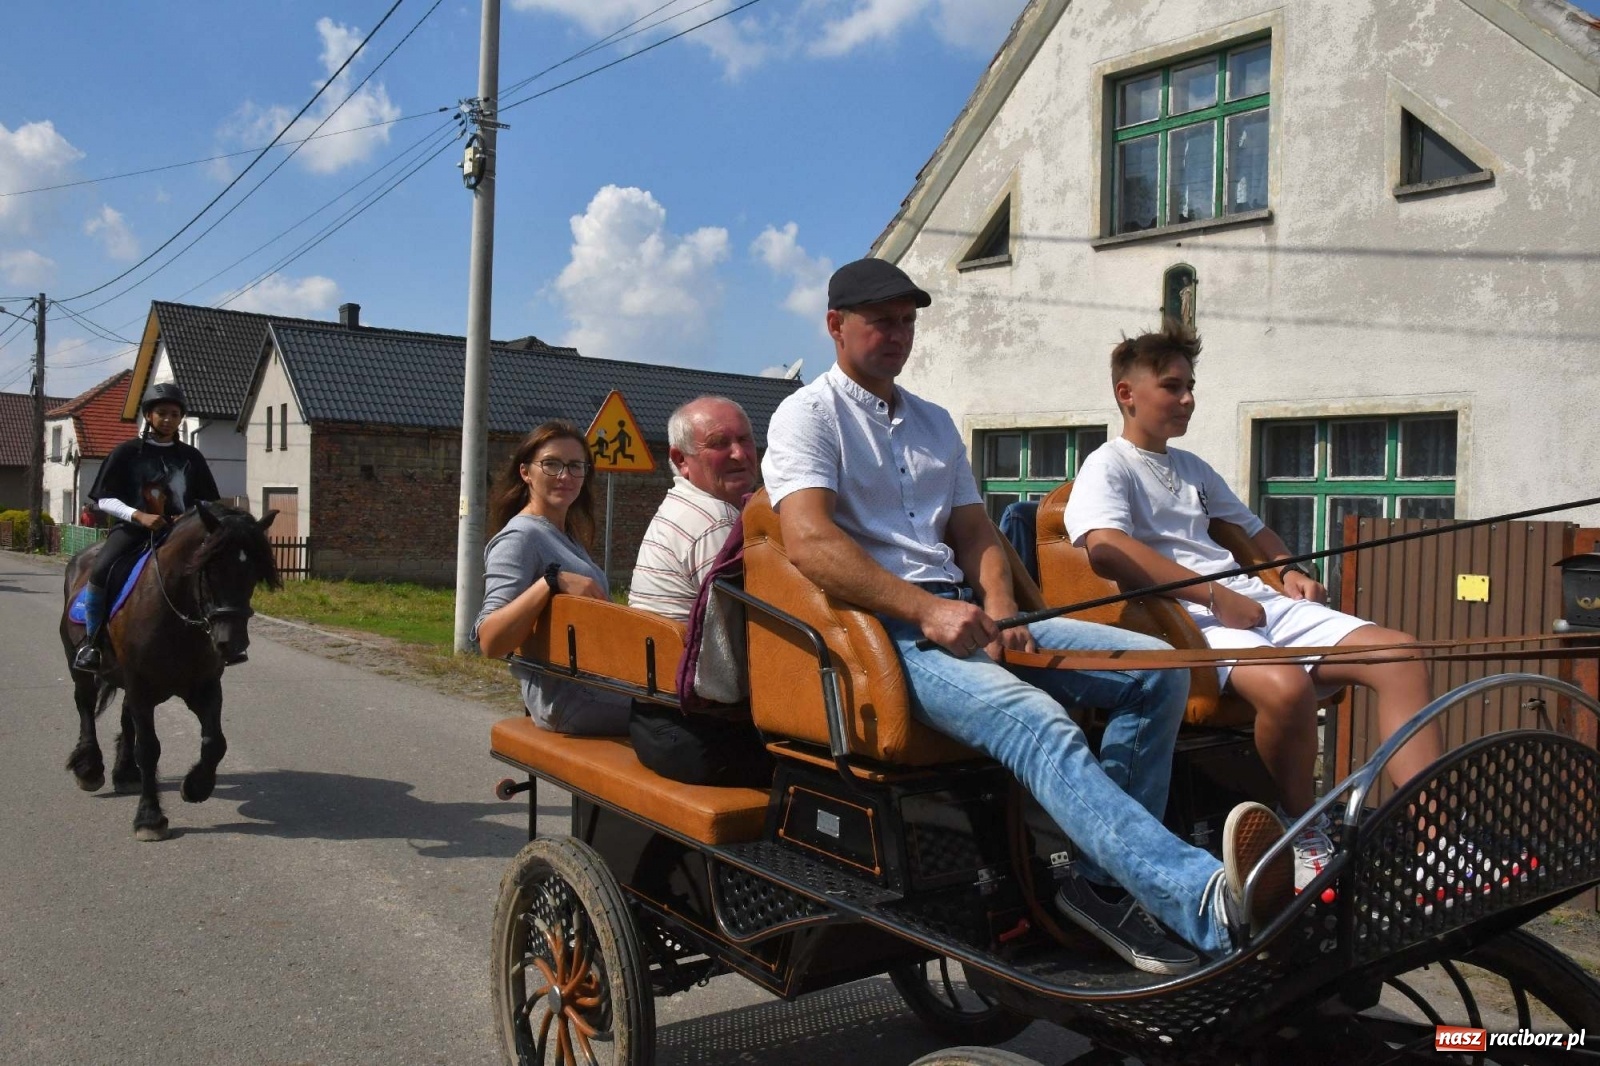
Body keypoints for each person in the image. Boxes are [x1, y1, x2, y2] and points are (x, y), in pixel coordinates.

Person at [760, 258, 1295, 975]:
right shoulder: (807, 415)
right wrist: (928, 611)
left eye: (907, 322)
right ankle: (1202, 900)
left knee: (1157, 673)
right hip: (890, 636)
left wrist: (1003, 608)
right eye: (882, 322)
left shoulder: (932, 421)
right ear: (835, 326)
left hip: (965, 614)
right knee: (1041, 724)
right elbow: (809, 541)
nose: (899, 335)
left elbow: (976, 532)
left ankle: (1102, 887)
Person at [1063, 317, 1445, 892]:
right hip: (1184, 619)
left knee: (1401, 655)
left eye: (1191, 387)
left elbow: (1252, 532)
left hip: (1253, 604)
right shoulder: (1107, 464)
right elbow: (1105, 547)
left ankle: (1435, 847)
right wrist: (1215, 594)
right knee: (1286, 685)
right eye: (1172, 387)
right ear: (1127, 393)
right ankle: (1300, 827)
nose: (1188, 399)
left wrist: (1289, 570)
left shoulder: (1193, 468)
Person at [628, 396, 772, 787]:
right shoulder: (715, 523)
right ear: (681, 459)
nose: (740, 453)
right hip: (698, 733)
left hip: (657, 718)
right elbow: (754, 641)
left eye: (745, 439)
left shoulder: (683, 505)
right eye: (719, 443)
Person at [475, 421, 630, 735]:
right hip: (570, 701)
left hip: (597, 686)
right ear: (526, 472)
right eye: (551, 464)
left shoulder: (564, 533)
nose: (565, 476)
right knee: (685, 716)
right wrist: (551, 581)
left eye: (575, 466)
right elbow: (490, 640)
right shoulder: (521, 537)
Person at [74, 382, 220, 673]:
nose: (168, 419)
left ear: (181, 418)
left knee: (219, 571)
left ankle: (222, 639)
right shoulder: (126, 453)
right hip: (133, 529)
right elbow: (104, 498)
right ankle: (93, 642)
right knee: (101, 570)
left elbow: (207, 500)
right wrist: (139, 516)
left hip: (181, 532)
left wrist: (187, 517)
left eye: (175, 414)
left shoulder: (191, 457)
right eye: (162, 413)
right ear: (149, 416)